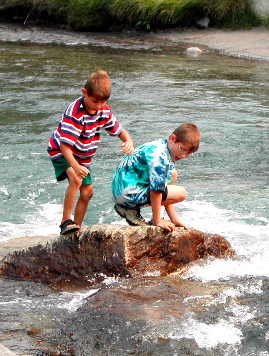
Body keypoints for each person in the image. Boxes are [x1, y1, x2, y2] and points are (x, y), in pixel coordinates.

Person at [48, 70, 134, 235]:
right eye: (95, 101)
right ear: (84, 93)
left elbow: (119, 130)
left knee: (87, 193)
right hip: (61, 150)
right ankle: (66, 221)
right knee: (76, 178)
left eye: (103, 101)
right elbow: (65, 146)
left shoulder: (103, 111)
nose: (99, 106)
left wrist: (128, 141)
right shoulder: (75, 114)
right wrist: (75, 166)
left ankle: (75, 229)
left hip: (81, 156)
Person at [112, 122, 200, 232]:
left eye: (188, 153)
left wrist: (174, 219)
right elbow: (157, 190)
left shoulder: (161, 146)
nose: (183, 156)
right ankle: (133, 210)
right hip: (126, 194)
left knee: (173, 174)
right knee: (181, 193)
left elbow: (164, 190)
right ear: (173, 138)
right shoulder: (159, 155)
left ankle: (141, 212)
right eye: (182, 149)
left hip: (124, 191)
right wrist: (158, 221)